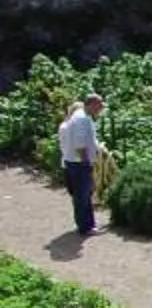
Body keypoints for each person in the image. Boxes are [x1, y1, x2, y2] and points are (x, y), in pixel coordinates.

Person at [58, 92, 105, 238]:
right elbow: (80, 145)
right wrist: (86, 162)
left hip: (72, 163)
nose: (101, 108)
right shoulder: (82, 119)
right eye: (99, 105)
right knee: (83, 196)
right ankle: (86, 227)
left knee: (82, 195)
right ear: (91, 104)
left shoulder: (79, 115)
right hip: (79, 164)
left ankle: (85, 225)